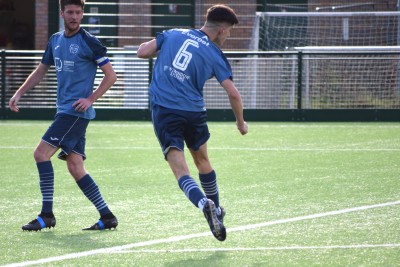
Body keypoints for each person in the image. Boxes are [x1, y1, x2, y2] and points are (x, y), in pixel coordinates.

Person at [137, 4, 248, 241]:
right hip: (194, 112)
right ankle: (216, 210)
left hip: (166, 110)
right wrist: (241, 123)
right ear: (219, 30)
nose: (227, 36)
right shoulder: (216, 54)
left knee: (180, 169)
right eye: (228, 31)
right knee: (203, 161)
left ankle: (203, 204)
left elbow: (142, 52)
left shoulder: (173, 33)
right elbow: (234, 93)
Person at [8, 0, 118, 231]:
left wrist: (90, 99)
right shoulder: (55, 40)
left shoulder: (90, 42)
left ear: (83, 14)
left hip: (75, 113)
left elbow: (111, 76)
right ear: (62, 14)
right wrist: (19, 92)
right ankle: (107, 216)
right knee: (75, 166)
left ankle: (46, 215)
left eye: (79, 12)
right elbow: (41, 70)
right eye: (70, 12)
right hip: (65, 111)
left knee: (41, 154)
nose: (75, 16)